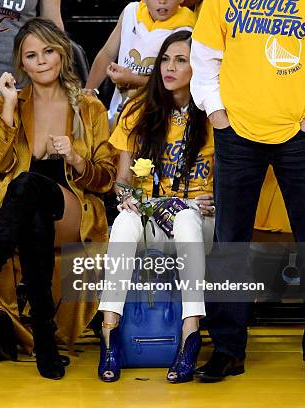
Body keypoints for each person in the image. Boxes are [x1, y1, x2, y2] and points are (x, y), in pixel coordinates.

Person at [0, 18, 117, 380]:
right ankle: (44, 337)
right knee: (32, 215)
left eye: (48, 52)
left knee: (27, 186)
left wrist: (74, 159)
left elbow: (105, 179)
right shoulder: (9, 103)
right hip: (22, 217)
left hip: (72, 210)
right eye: (31, 55)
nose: (41, 61)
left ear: (62, 54)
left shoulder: (89, 107)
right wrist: (8, 107)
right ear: (20, 64)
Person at [191, 0, 305, 381]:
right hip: (236, 132)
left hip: (300, 131)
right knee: (230, 243)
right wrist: (216, 113)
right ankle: (227, 349)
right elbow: (205, 57)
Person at [97, 30, 214, 384]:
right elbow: (121, 181)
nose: (169, 67)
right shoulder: (137, 109)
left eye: (181, 60)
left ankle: (190, 334)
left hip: (199, 219)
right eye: (165, 59)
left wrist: (213, 199)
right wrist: (127, 197)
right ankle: (108, 333)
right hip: (150, 213)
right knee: (124, 224)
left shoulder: (213, 112)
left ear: (199, 66)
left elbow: (236, 176)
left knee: (187, 219)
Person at [85, 0, 196, 125]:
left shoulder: (187, 29)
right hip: (118, 115)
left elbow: (177, 83)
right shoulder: (130, 12)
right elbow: (107, 54)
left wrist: (132, 79)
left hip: (157, 120)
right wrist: (88, 91)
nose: (162, 1)